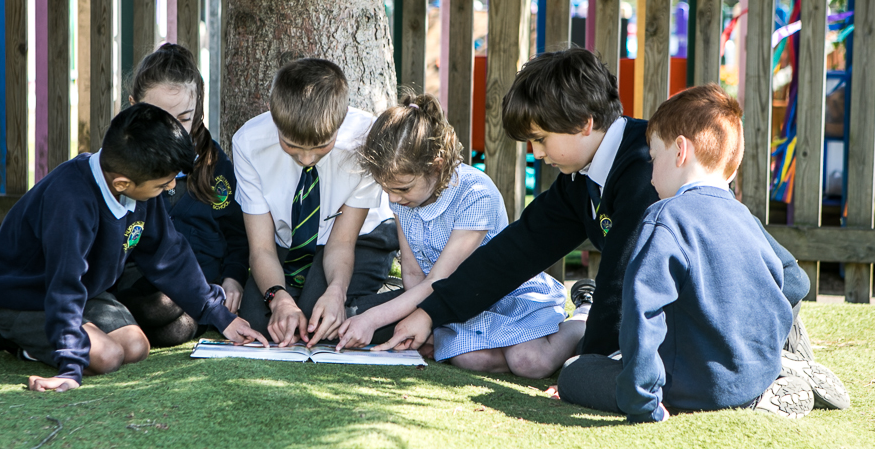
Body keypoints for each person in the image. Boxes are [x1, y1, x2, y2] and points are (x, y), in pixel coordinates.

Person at [556, 85, 849, 421]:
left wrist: (642, 397)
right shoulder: (745, 219)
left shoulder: (665, 218)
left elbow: (643, 311)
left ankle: (767, 378)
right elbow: (794, 281)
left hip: (684, 387)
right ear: (733, 168)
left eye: (653, 157)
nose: (650, 175)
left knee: (575, 372)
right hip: (752, 376)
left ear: (680, 151)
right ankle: (778, 372)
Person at [0, 104, 267, 392]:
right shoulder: (71, 202)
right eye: (163, 183)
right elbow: (64, 286)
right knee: (107, 355)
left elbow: (169, 254)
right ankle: (2, 329)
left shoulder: (137, 185)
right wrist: (71, 368)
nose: (171, 188)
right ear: (122, 185)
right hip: (23, 294)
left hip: (81, 291)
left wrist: (222, 317)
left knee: (137, 346)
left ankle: (36, 341)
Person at [375, 47, 657, 358]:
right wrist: (430, 313)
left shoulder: (644, 169)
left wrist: (590, 363)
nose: (536, 153)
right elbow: (515, 252)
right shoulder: (580, 177)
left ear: (583, 123)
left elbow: (621, 279)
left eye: (541, 138)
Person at [336, 94, 584, 377]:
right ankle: (507, 346)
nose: (393, 198)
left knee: (529, 362)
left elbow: (439, 281)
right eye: (386, 188)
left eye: (403, 188)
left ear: (436, 165)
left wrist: (371, 318)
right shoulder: (403, 200)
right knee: (471, 360)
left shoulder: (475, 195)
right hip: (454, 305)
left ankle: (583, 317)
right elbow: (413, 275)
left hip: (504, 296)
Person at [232, 58, 397, 347]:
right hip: (287, 243)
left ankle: (404, 302)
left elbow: (342, 243)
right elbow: (260, 248)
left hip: (359, 239)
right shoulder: (247, 143)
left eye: (321, 146)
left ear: (342, 118)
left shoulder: (366, 139)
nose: (306, 158)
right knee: (261, 323)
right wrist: (278, 298)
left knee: (318, 319)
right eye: (292, 146)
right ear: (273, 116)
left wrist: (336, 291)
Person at [119, 43, 249, 343]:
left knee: (180, 326)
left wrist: (234, 277)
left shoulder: (215, 165)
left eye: (184, 118)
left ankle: (125, 325)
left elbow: (236, 233)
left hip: (203, 283)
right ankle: (115, 318)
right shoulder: (121, 164)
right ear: (133, 106)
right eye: (158, 116)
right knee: (163, 305)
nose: (172, 129)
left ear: (198, 109)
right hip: (142, 283)